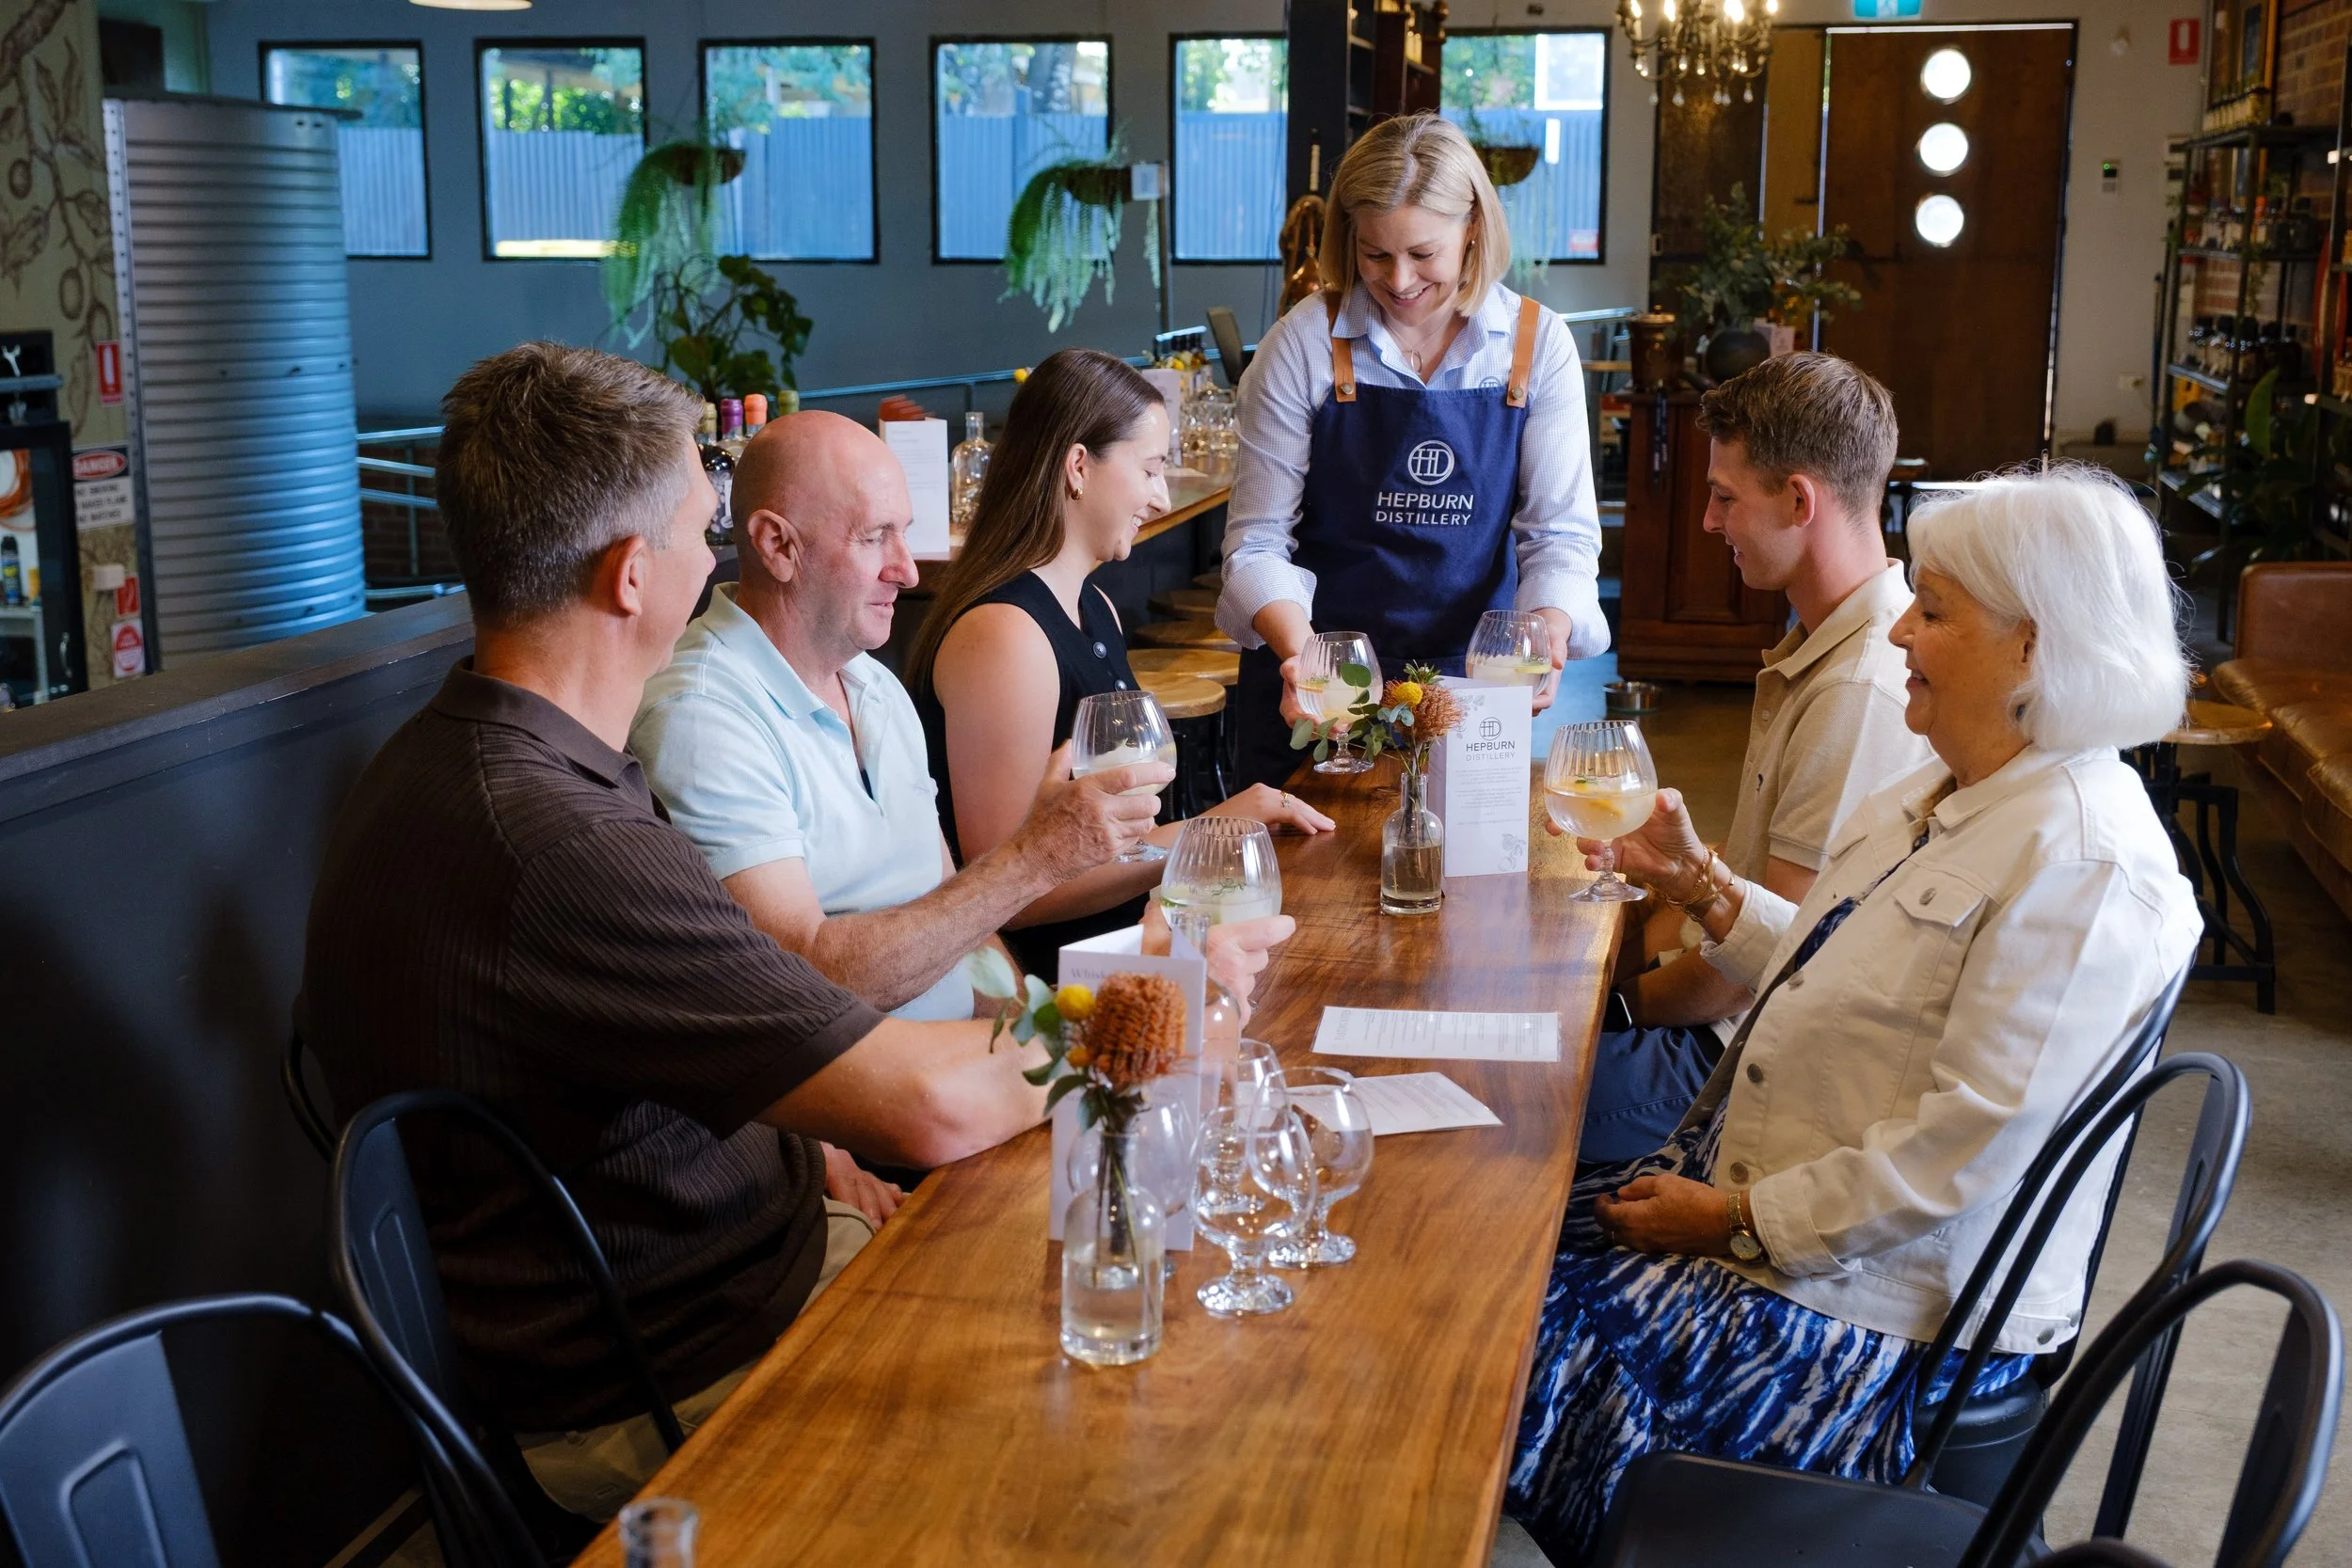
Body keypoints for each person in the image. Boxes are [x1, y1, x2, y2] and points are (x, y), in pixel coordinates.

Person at [299, 344, 1177, 1522]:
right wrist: (1145, 1009)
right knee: (1115, 1401)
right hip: (676, 1375)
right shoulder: (555, 837)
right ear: (628, 576)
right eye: (698, 528)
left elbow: (677, 1035)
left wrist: (801, 1150)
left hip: (745, 1259)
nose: (715, 558)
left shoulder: (463, 761)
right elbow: (931, 1104)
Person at [1505, 467, 2201, 1565]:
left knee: (1499, 1341)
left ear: (2033, 644)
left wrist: (1727, 1217)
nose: (1897, 637)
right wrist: (1704, 887)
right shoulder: (1953, 793)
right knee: (1499, 1229)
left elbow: (1952, 1157)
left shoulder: (2086, 866)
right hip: (1798, 1234)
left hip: (1879, 1321)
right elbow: (1851, 970)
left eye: (1931, 610)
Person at [631, 411, 1291, 1023]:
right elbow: (800, 979)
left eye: (905, 532)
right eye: (874, 537)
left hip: (963, 1067)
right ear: (777, 544)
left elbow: (962, 924)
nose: (908, 571)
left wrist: (1041, 1030)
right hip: (882, 1119)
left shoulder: (872, 685)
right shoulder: (703, 716)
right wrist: (1038, 856)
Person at [1577, 353, 1933, 1165]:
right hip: (1732, 1028)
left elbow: (1753, 971)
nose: (1708, 520)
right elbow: (1725, 890)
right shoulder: (1818, 644)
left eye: (1725, 496)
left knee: (1498, 1108)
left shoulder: (1861, 687)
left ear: (1800, 500)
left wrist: (1613, 1008)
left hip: (1748, 1064)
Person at [907, 348, 1333, 982]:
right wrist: (1210, 831)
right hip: (1045, 998)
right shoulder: (1005, 635)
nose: (1161, 498)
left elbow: (1107, 845)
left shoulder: (1093, 604)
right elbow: (1010, 896)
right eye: (1151, 469)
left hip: (1124, 948)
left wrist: (1219, 830)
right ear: (1078, 466)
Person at [1216, 112, 1609, 790]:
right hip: (1323, 694)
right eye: (1375, 254)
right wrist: (1302, 656)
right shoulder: (1305, 344)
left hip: (1469, 692)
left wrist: (1543, 635)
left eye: (1423, 253)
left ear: (1473, 229)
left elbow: (1561, 537)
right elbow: (1256, 544)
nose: (1398, 280)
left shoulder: (1535, 346)